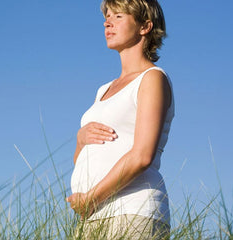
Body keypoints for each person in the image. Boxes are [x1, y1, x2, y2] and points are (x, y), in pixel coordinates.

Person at [66, 0, 174, 238]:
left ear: (145, 26)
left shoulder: (152, 78)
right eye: (107, 16)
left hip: (134, 212)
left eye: (118, 17)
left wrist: (91, 199)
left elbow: (142, 156)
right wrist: (80, 140)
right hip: (94, 216)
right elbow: (83, 160)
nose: (107, 22)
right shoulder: (103, 90)